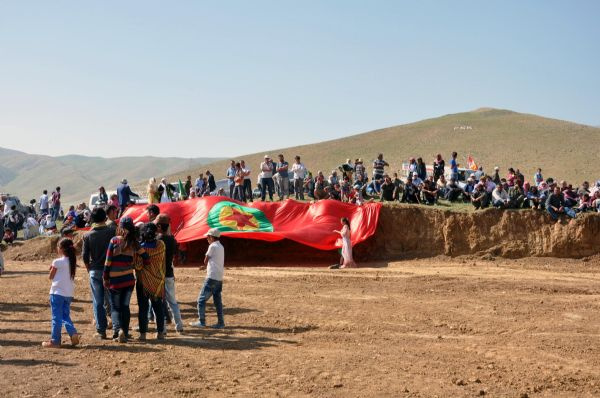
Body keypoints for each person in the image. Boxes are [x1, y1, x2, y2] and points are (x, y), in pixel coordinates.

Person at [104, 217, 144, 343]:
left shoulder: (114, 240)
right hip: (129, 280)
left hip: (115, 281)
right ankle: (125, 332)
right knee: (125, 306)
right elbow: (146, 257)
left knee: (115, 308)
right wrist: (134, 264)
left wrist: (105, 277)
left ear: (120, 227)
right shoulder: (134, 242)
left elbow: (108, 262)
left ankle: (117, 331)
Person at [82, 208, 116, 339]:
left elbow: (85, 257)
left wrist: (89, 269)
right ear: (105, 218)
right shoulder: (112, 231)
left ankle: (101, 331)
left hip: (95, 271)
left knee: (98, 301)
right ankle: (117, 328)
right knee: (113, 299)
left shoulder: (88, 235)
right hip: (111, 270)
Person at [42, 238, 80, 348]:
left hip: (57, 292)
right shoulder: (72, 261)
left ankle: (55, 340)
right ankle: (72, 332)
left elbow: (51, 276)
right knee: (65, 315)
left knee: (56, 317)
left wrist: (51, 269)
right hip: (68, 293)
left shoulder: (57, 262)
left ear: (61, 249)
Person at [135, 223, 166, 341]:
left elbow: (137, 266)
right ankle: (160, 333)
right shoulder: (161, 245)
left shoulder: (140, 249)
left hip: (142, 283)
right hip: (157, 283)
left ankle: (143, 335)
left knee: (143, 309)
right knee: (158, 309)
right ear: (155, 233)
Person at [190, 228, 225, 329]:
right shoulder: (221, 246)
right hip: (219, 277)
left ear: (211, 237)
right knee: (217, 300)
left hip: (212, 277)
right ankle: (221, 323)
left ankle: (202, 322)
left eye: (208, 237)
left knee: (201, 300)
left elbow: (206, 259)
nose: (207, 239)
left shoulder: (212, 246)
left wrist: (205, 265)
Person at [155, 214, 183, 335]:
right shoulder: (172, 240)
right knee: (172, 302)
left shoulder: (157, 240)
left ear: (160, 226)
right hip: (169, 274)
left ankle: (163, 329)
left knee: (159, 303)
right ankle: (179, 326)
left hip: (158, 275)